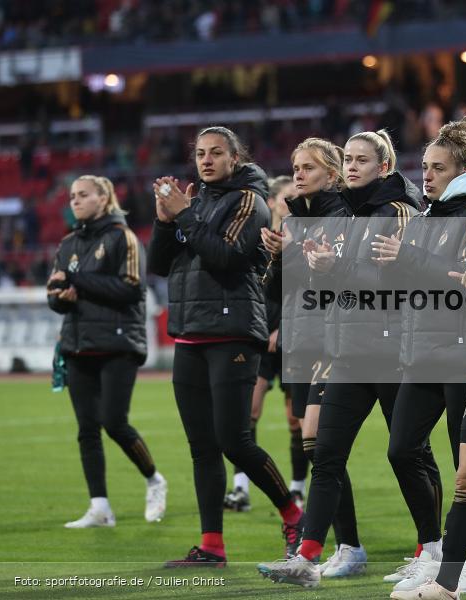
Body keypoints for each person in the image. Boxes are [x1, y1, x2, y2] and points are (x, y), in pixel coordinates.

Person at [256, 129, 433, 588]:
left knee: (408, 454)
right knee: (327, 453)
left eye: (361, 160)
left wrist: (331, 268)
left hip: (393, 351)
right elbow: (315, 294)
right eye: (349, 158)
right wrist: (290, 262)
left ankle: (431, 549)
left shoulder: (395, 211)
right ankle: (307, 557)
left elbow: (392, 283)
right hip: (348, 351)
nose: (352, 166)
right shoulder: (346, 215)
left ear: (384, 167)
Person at [147, 126, 302, 567]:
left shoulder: (248, 201)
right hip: (191, 332)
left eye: (216, 153)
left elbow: (227, 257)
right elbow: (160, 264)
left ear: (236, 159)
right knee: (202, 446)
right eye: (200, 153)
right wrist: (165, 219)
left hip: (233, 330)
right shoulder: (194, 205)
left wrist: (185, 216)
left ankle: (294, 514)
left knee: (234, 440)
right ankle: (212, 545)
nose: (207, 160)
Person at [371, 118, 466, 594]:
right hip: (423, 351)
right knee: (401, 448)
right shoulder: (426, 217)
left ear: (461, 170)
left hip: (464, 351)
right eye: (424, 167)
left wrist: (408, 259)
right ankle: (435, 551)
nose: (427, 175)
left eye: (438, 168)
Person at [262, 137, 369, 578]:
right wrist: (278, 258)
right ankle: (347, 548)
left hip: (339, 340)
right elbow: (275, 293)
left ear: (332, 172)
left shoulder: (342, 217)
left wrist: (294, 257)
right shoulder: (298, 217)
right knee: (320, 450)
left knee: (326, 446)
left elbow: (337, 285)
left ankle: (322, 551)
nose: (299, 174)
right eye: (295, 166)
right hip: (304, 341)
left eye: (308, 167)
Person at [48, 175, 167, 529]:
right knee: (87, 428)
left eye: (83, 195)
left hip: (118, 343)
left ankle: (154, 479)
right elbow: (55, 294)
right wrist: (59, 298)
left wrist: (76, 282)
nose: (75, 201)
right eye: (72, 196)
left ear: (104, 198)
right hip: (78, 343)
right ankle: (100, 506)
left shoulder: (124, 237)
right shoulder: (67, 243)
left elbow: (131, 289)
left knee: (114, 422)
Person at [223, 175, 307, 513]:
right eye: (287, 198)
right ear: (271, 202)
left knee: (295, 420)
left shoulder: (300, 241)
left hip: (293, 340)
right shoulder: (255, 241)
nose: (292, 204)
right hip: (258, 339)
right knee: (247, 414)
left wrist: (283, 328)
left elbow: (303, 294)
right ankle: (240, 489)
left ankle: (297, 489)